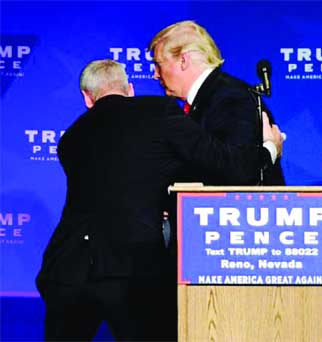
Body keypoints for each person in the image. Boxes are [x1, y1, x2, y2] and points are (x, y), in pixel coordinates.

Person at [36, 59, 283, 341]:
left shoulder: (71, 138)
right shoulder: (158, 112)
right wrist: (268, 150)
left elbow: (119, 183)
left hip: (67, 268)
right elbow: (224, 163)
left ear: (87, 98)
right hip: (134, 269)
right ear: (130, 89)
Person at [149, 19, 285, 186]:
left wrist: (269, 150)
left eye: (158, 63)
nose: (155, 74)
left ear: (183, 60)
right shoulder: (211, 96)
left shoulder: (231, 97)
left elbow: (239, 169)